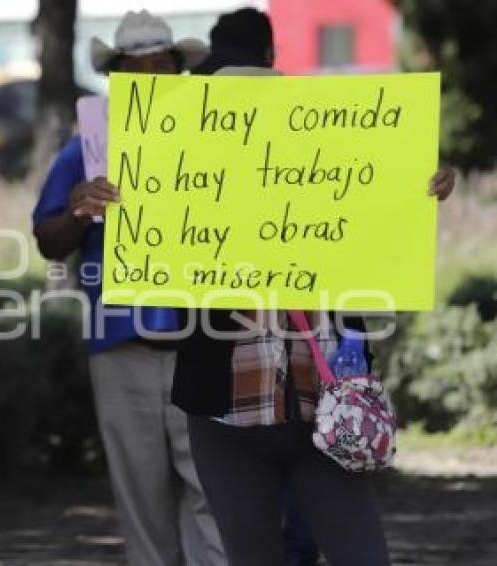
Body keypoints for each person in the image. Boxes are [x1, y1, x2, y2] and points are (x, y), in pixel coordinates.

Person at [172, 9, 456, 566]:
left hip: (325, 407)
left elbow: (383, 227)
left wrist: (421, 188)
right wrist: (107, 200)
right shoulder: (184, 183)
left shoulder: (330, 169)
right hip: (225, 416)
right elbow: (145, 261)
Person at [33, 11, 227, 566]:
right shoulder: (85, 150)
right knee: (141, 501)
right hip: (120, 347)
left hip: (205, 342)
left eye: (160, 66)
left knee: (215, 494)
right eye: (134, 69)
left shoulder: (221, 143)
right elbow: (48, 240)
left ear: (179, 74)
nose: (148, 77)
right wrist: (77, 206)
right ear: (116, 79)